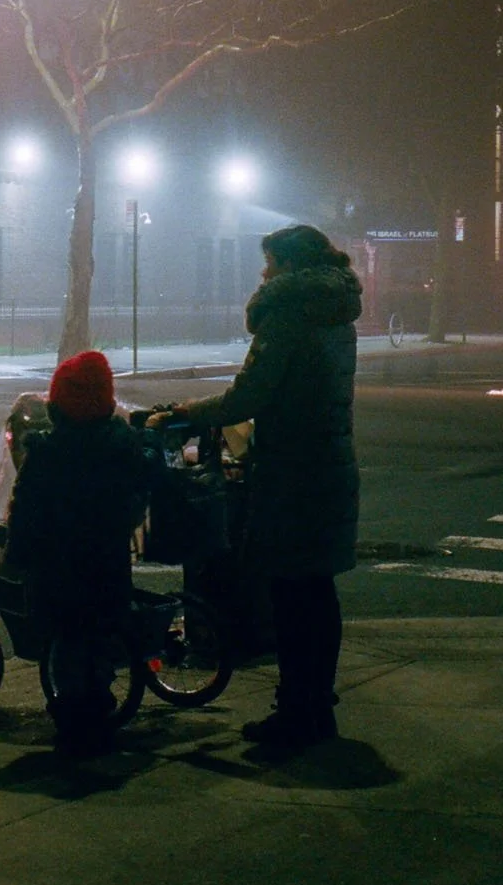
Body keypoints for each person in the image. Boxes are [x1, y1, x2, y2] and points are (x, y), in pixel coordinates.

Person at [151, 224, 361, 750]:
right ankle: (317, 707)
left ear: (289, 266)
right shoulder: (337, 312)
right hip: (332, 461)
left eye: (269, 264)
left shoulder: (288, 313)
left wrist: (183, 411)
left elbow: (250, 394)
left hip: (292, 472)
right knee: (317, 591)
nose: (264, 274)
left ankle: (295, 713)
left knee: (290, 595)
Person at [0, 349, 155, 754]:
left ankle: (75, 719)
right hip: (107, 564)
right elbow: (140, 487)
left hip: (57, 572)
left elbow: (25, 514)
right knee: (96, 642)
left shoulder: (47, 453)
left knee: (67, 643)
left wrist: (16, 557)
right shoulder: (122, 445)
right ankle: (97, 707)